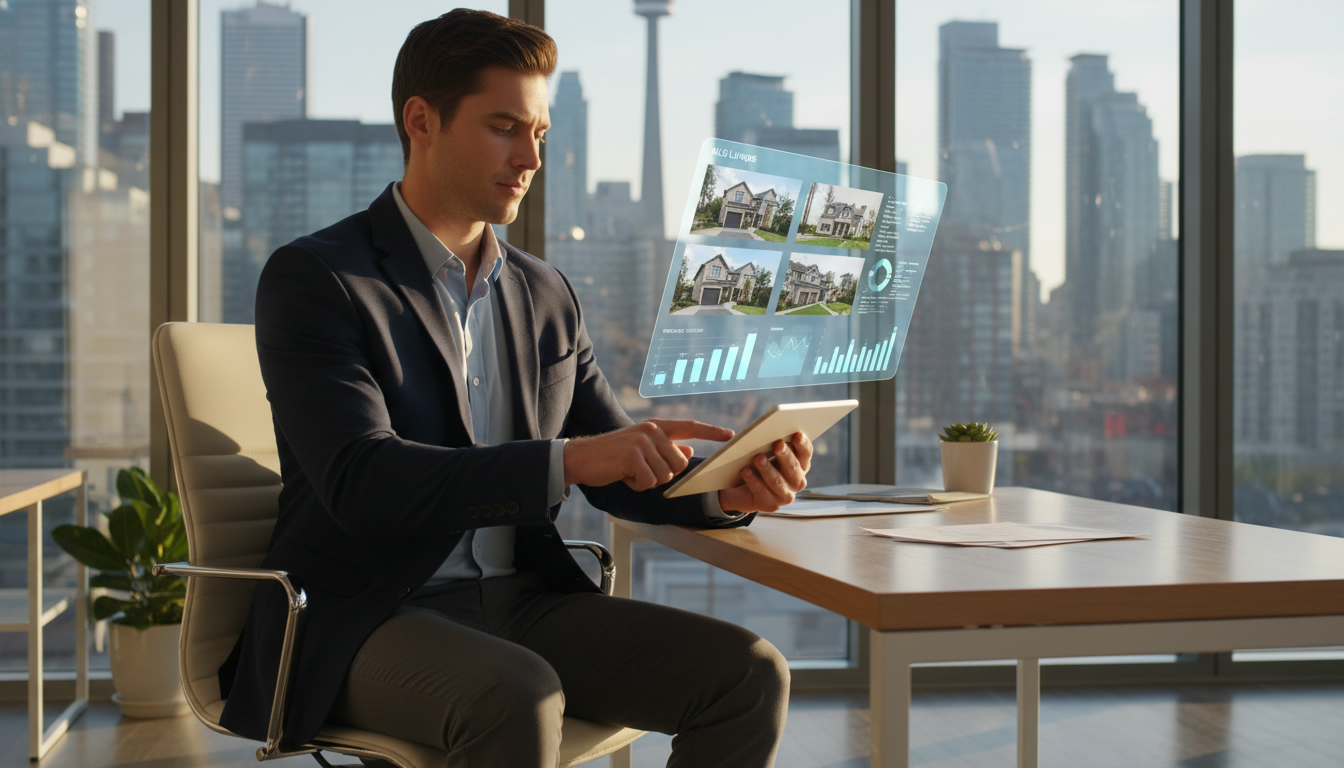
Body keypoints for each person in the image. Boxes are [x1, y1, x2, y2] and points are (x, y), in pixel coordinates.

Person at [215, 9, 813, 768]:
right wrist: (564, 461)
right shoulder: (323, 279)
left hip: (523, 604)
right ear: (421, 121)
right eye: (504, 127)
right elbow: (361, 481)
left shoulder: (544, 293)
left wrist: (730, 490)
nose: (530, 157)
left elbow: (619, 470)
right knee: (516, 695)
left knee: (749, 676)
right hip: (365, 615)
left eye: (539, 133)